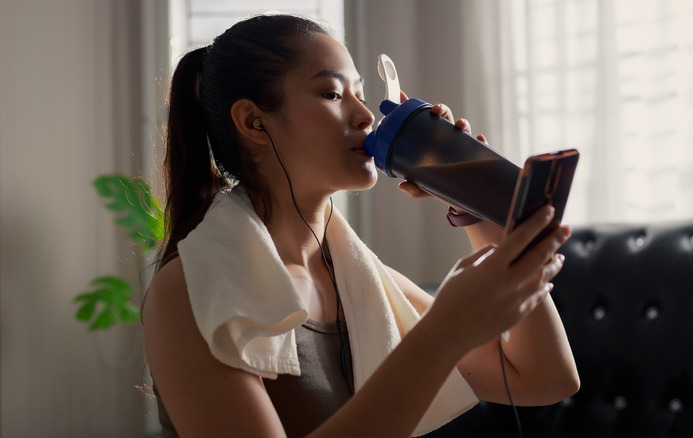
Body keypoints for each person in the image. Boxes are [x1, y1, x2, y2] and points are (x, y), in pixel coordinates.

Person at [142, 13, 579, 438]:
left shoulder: (361, 282)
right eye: (332, 94)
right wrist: (443, 331)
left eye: (361, 93)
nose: (366, 116)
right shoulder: (188, 292)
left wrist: (473, 202)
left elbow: (544, 379)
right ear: (254, 121)